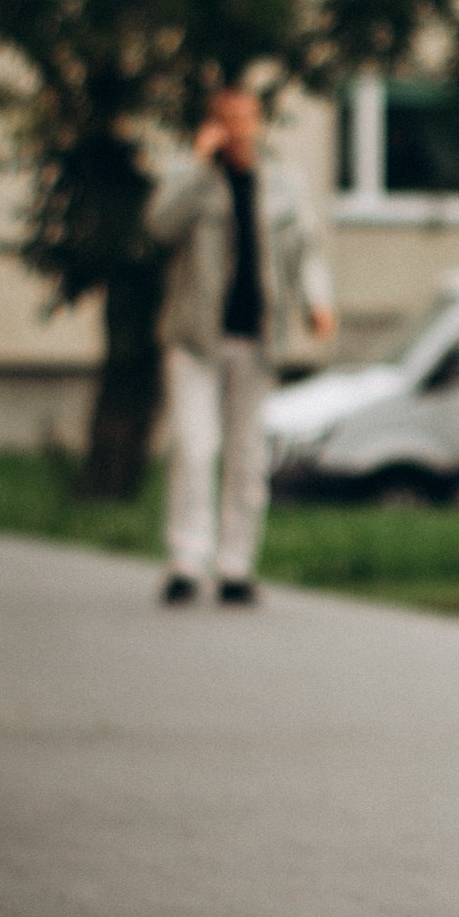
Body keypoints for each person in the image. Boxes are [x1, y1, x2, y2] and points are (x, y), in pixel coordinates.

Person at [144, 86, 336, 604]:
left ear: (257, 123)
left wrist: (318, 301)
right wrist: (196, 166)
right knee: (196, 447)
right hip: (195, 340)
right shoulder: (192, 180)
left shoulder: (284, 183)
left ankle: (235, 565)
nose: (237, 128)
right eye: (226, 119)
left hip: (257, 338)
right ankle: (187, 561)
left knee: (247, 455)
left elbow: (306, 250)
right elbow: (160, 227)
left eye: (246, 117)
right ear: (212, 125)